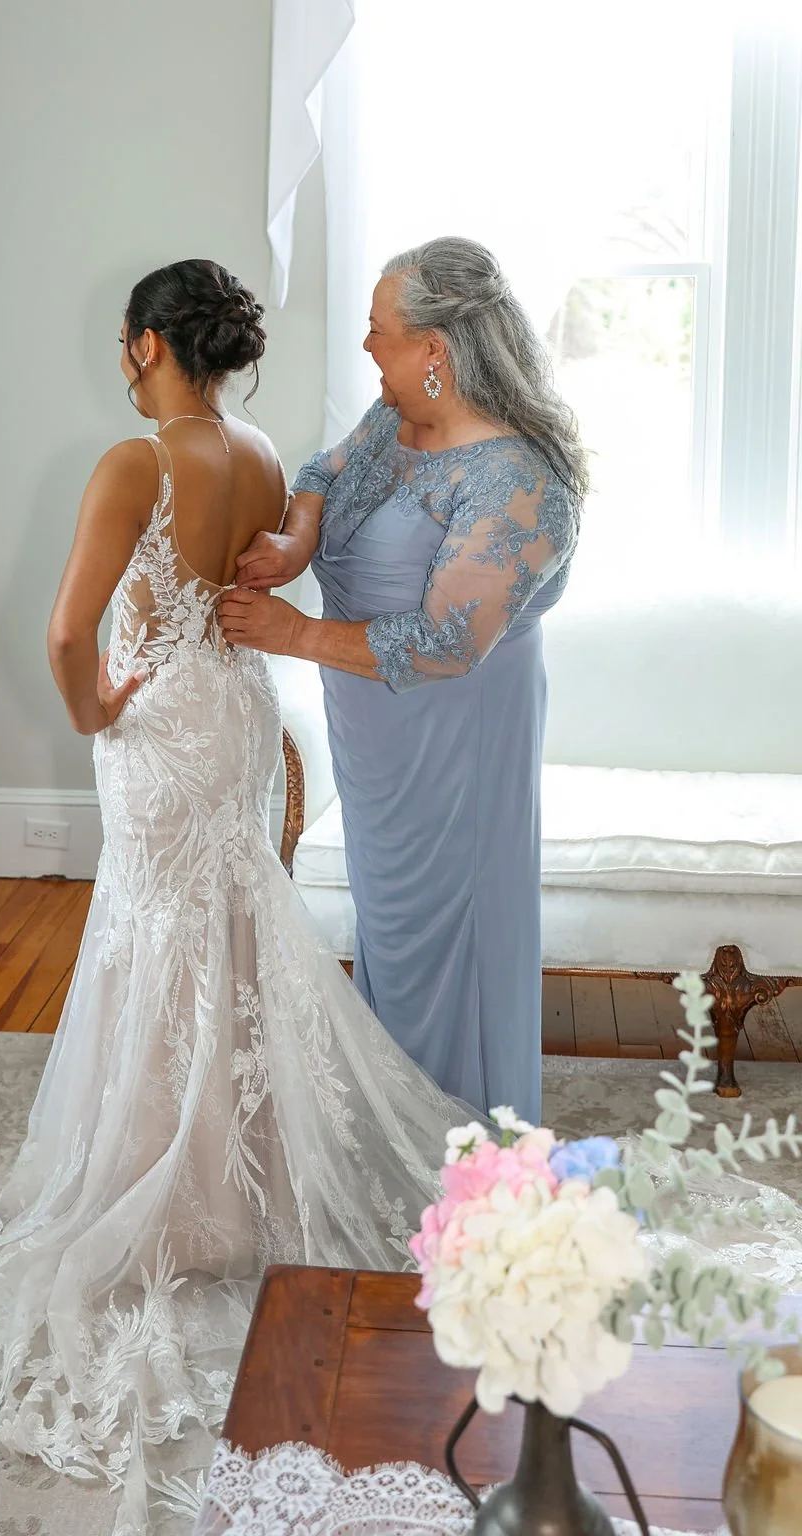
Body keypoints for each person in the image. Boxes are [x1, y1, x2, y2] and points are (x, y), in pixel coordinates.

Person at [0, 258, 492, 1536]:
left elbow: (69, 637)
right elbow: (268, 584)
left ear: (145, 347)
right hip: (241, 715)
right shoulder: (250, 446)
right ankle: (229, 1181)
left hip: (163, 723)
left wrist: (96, 712)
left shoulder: (136, 462)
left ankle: (170, 1187)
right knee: (230, 925)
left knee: (157, 937)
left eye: (123, 344)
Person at [220, 237, 588, 1126]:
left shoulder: (516, 478)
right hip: (378, 749)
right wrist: (300, 538)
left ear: (436, 350)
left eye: (380, 331)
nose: (366, 347)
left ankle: (459, 1148)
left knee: (450, 934)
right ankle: (396, 1127)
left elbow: (445, 644)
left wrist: (296, 631)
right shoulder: (396, 420)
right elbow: (318, 473)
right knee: (391, 930)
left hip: (455, 747)